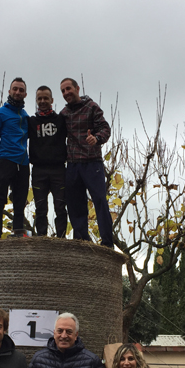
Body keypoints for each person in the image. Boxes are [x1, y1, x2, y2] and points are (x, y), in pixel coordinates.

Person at [60, 77, 113, 248]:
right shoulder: (64, 114)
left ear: (77, 88)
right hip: (73, 165)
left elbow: (105, 128)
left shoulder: (91, 107)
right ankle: (82, 242)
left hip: (92, 163)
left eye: (68, 89)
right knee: (75, 206)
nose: (66, 93)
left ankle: (107, 243)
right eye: (63, 91)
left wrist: (96, 138)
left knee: (100, 201)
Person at [0, 78, 30, 239]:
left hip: (23, 163)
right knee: (0, 199)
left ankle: (18, 236)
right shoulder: (0, 113)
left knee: (20, 203)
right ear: (9, 91)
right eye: (15, 89)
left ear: (25, 94)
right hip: (5, 160)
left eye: (21, 90)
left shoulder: (26, 116)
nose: (17, 92)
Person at [28, 86, 68, 237]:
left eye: (46, 98)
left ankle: (61, 238)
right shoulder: (31, 122)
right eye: (40, 98)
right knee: (40, 208)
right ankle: (42, 239)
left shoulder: (61, 120)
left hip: (59, 170)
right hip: (39, 170)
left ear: (52, 100)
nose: (43, 101)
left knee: (60, 206)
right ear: (36, 101)